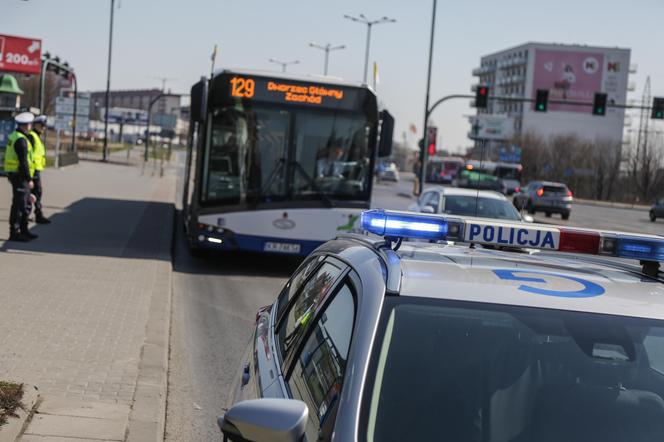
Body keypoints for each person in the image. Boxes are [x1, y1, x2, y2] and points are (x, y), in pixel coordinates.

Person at [4, 112, 38, 241]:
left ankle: (23, 230)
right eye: (30, 124)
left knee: (22, 204)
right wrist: (29, 179)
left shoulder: (16, 136)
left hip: (16, 174)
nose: (31, 126)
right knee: (19, 205)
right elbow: (23, 162)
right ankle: (15, 232)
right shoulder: (21, 140)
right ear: (26, 125)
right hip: (19, 176)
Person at [28, 115, 51, 224]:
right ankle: (31, 214)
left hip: (36, 169)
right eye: (42, 126)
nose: (43, 128)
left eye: (44, 126)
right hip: (32, 170)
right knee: (33, 193)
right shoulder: (32, 136)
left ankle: (36, 214)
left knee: (37, 192)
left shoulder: (37, 136)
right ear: (36, 124)